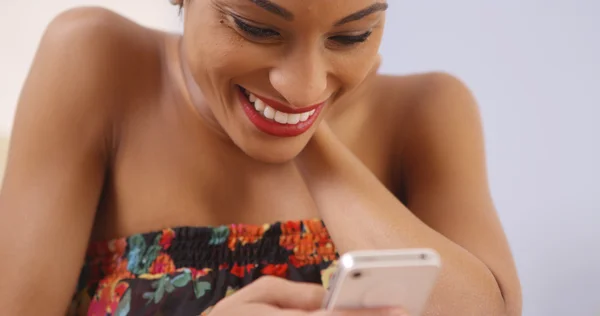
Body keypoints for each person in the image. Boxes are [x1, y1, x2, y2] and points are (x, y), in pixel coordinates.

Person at [0, 0, 522, 315]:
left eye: (351, 36)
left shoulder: (425, 112)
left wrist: (307, 135)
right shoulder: (98, 64)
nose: (302, 84)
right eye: (257, 27)